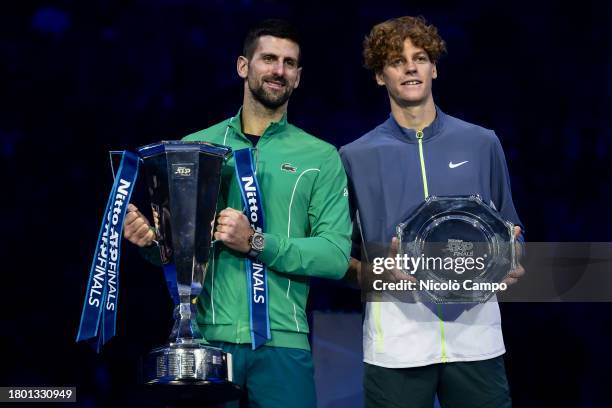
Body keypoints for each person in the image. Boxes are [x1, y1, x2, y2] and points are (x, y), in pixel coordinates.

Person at [124, 19, 351, 407]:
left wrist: (257, 242)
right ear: (243, 66)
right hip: (205, 341)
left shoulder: (321, 157)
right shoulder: (196, 146)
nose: (278, 70)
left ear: (298, 76)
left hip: (283, 343)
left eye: (289, 62)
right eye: (268, 58)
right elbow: (181, 253)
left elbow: (334, 256)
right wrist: (151, 243)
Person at [340, 16, 525, 408]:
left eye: (420, 57)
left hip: (476, 339)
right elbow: (341, 257)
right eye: (396, 60)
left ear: (434, 67)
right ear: (380, 76)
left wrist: (513, 260)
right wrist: (379, 274)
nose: (410, 67)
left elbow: (510, 229)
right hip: (396, 342)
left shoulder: (481, 143)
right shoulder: (355, 156)